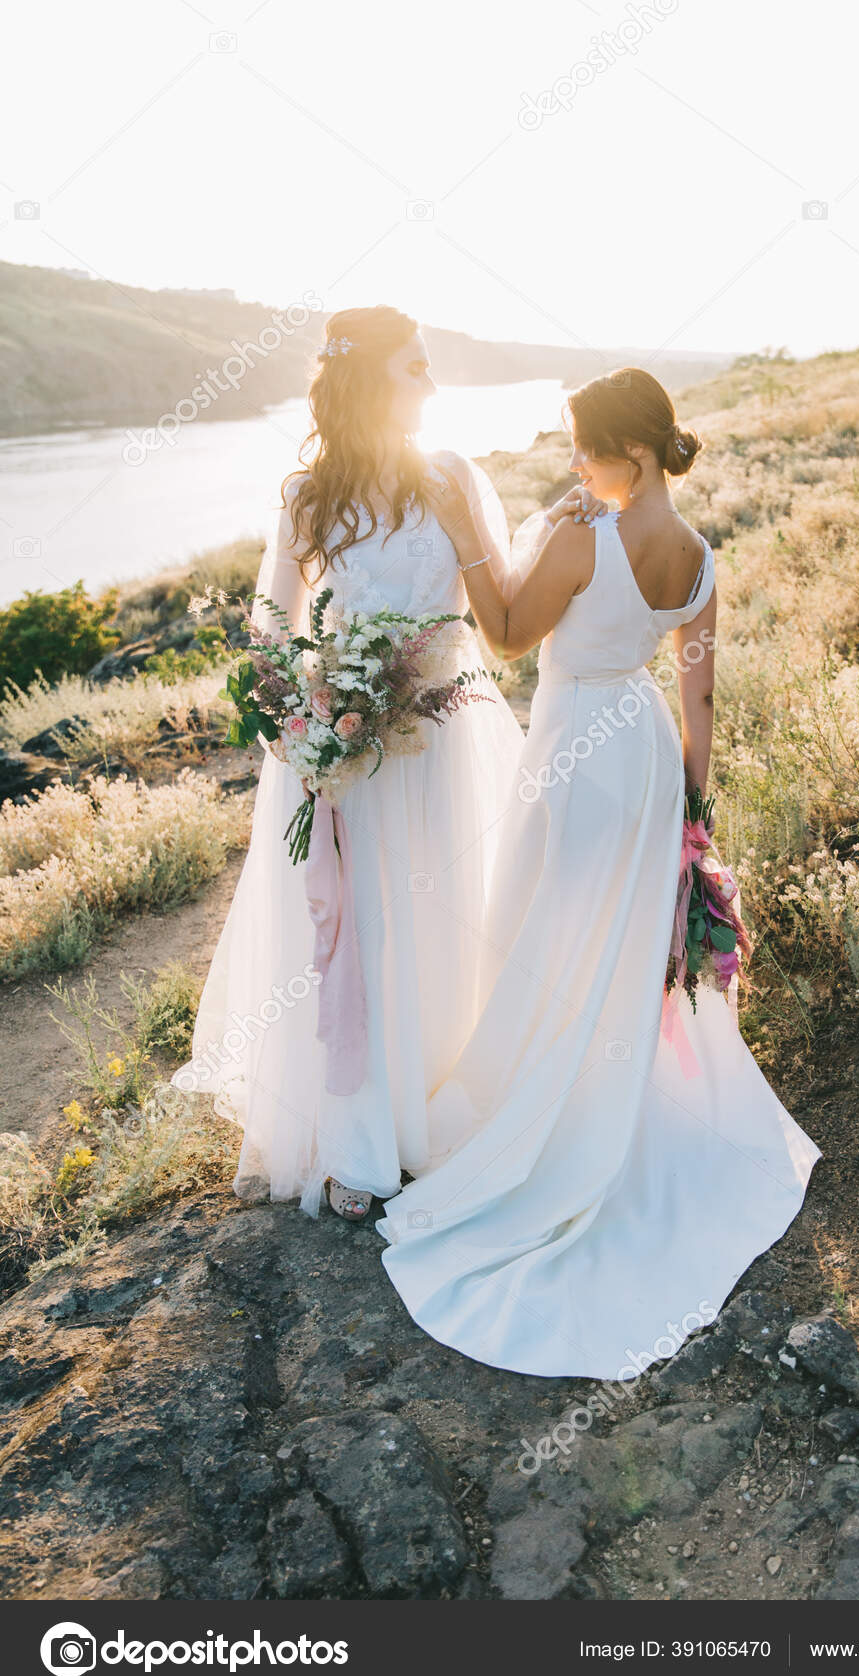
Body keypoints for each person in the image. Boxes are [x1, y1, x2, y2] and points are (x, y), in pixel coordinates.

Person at [377, 367, 822, 1380]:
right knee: (615, 944)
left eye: (584, 448)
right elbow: (699, 701)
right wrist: (693, 817)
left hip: (574, 748)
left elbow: (501, 630)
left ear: (628, 454)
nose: (574, 463)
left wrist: (471, 531)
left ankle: (552, 1108)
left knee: (543, 932)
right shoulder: (699, 556)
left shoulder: (584, 536)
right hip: (648, 756)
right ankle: (600, 1085)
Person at [172, 306, 598, 1222]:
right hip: (344, 751)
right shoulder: (305, 497)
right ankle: (359, 1139)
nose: (433, 385)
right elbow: (274, 622)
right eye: (415, 369)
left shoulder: (451, 475)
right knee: (357, 935)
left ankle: (437, 1106)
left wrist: (567, 530)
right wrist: (307, 715)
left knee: (444, 920)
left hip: (439, 741)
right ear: (371, 382)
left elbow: (502, 626)